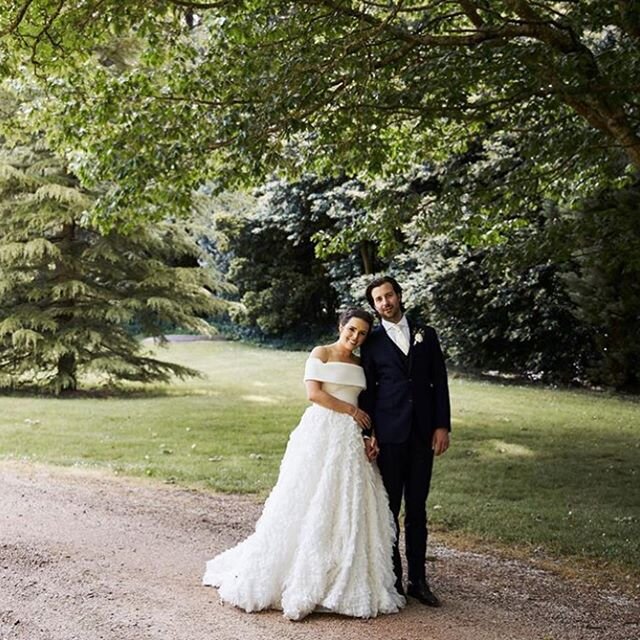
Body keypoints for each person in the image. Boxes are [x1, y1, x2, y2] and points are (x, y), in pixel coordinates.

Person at [203, 308, 405, 621]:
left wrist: (370, 434)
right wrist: (351, 414)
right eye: (351, 330)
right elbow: (314, 394)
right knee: (309, 496)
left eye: (362, 333)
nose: (355, 337)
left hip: (351, 439)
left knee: (347, 502)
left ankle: (341, 573)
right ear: (341, 326)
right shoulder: (321, 353)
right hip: (322, 430)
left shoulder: (359, 362)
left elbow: (365, 404)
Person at [360, 276, 451, 607]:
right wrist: (369, 433)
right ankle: (394, 579)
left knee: (417, 508)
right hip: (389, 435)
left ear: (399, 296)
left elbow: (438, 381)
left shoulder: (427, 334)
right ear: (374, 305)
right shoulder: (371, 342)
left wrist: (442, 425)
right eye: (378, 300)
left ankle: (419, 580)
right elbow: (368, 391)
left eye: (388, 295)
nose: (385, 302)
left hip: (423, 434)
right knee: (389, 510)